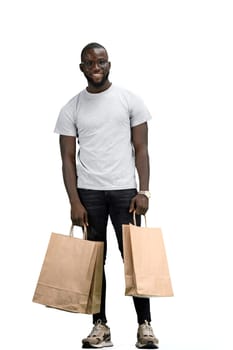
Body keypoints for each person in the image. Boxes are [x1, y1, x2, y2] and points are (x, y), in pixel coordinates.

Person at [54, 42, 159, 349]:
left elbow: (142, 149)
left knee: (134, 260)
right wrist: (74, 201)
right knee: (94, 261)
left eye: (100, 61)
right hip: (89, 194)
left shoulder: (129, 100)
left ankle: (145, 325)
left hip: (125, 192)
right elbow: (67, 160)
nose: (95, 67)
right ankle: (100, 326)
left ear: (109, 64)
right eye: (89, 62)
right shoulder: (71, 108)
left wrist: (144, 190)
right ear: (82, 68)